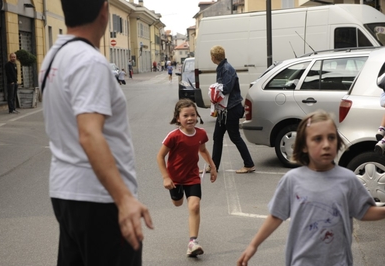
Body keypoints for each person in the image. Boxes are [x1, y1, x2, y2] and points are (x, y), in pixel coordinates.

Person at [39, 1, 153, 265]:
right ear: (104, 11)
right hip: (100, 199)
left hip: (65, 193)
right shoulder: (90, 61)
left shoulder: (53, 58)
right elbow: (89, 134)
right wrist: (124, 199)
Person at [237, 110, 385, 266]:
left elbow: (364, 212)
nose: (326, 145)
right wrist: (253, 245)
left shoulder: (348, 180)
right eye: (317, 139)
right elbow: (276, 216)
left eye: (331, 138)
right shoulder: (292, 181)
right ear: (304, 146)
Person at [156, 99, 217, 257]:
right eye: (185, 115)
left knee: (194, 206)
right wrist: (165, 177)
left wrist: (212, 166)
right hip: (175, 179)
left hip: (192, 176)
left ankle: (193, 243)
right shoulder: (174, 136)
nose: (190, 118)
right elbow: (160, 156)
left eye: (193, 115)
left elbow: (202, 150)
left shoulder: (201, 134)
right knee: (178, 203)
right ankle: (177, 195)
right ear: (178, 118)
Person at [205, 45, 255, 174]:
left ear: (213, 57)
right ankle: (214, 166)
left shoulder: (227, 69)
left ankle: (249, 164)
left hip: (231, 109)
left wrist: (214, 90)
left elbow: (226, 89)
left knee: (235, 137)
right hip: (225, 109)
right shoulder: (222, 68)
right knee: (218, 136)